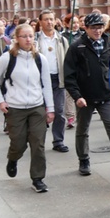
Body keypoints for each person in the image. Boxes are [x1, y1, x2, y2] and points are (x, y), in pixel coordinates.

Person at [0, 24, 55, 193]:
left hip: (37, 107)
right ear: (16, 38)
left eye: (31, 36)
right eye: (24, 36)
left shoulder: (40, 59)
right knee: (18, 143)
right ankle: (13, 158)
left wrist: (50, 109)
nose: (28, 39)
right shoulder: (8, 58)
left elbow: (46, 84)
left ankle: (38, 179)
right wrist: (1, 101)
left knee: (38, 143)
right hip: (15, 108)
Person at [63, 11, 110, 180]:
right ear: (86, 28)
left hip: (107, 95)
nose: (97, 31)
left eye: (100, 27)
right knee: (82, 130)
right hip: (85, 97)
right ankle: (84, 160)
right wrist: (77, 96)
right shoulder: (77, 47)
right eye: (93, 28)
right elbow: (69, 75)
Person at [34, 9, 70, 153]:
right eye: (46, 19)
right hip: (39, 80)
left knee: (59, 111)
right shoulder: (36, 39)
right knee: (39, 112)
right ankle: (38, 141)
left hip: (57, 79)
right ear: (40, 22)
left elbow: (67, 59)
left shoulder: (61, 39)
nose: (49, 22)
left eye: (51, 19)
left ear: (55, 21)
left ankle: (58, 140)